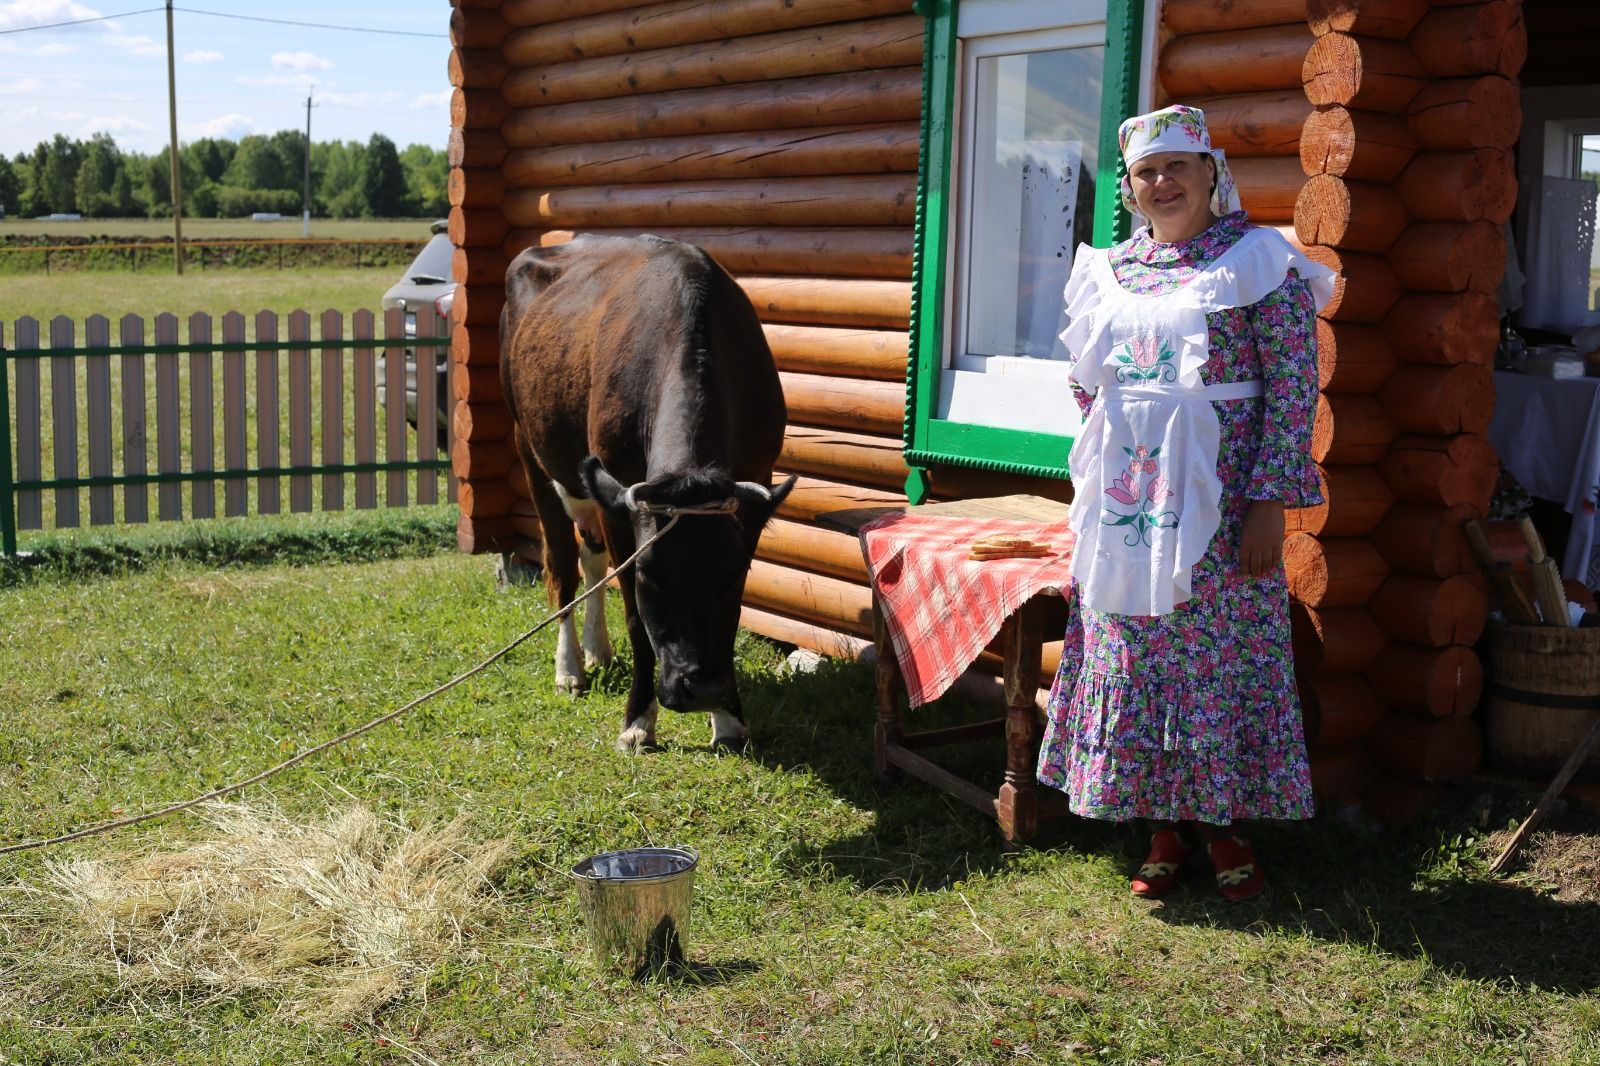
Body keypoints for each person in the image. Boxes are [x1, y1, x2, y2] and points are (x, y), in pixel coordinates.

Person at [1036, 104, 1335, 902]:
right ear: (1130, 189)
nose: (1162, 183)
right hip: (1130, 501)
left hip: (1224, 500)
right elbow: (1083, 377)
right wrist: (1129, 438)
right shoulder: (1108, 269)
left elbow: (1295, 385)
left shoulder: (1259, 260)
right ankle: (1163, 826)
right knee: (1139, 654)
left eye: (1178, 166)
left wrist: (1270, 499)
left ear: (1211, 173)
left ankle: (1225, 826)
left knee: (1218, 654)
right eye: (1146, 172)